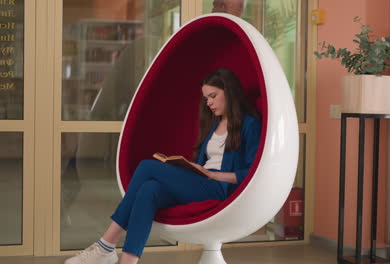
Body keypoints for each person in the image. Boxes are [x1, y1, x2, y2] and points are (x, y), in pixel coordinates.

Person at [64, 68, 261, 264]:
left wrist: (214, 175)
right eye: (206, 98)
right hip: (202, 181)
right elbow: (205, 162)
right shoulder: (214, 122)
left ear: (230, 92)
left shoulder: (250, 124)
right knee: (149, 189)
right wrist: (192, 168)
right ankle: (127, 261)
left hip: (220, 187)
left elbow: (253, 173)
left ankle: (106, 245)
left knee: (147, 167)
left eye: (213, 96)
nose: (208, 102)